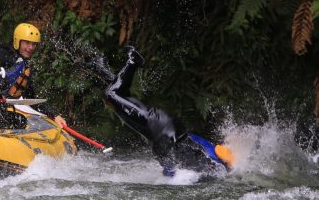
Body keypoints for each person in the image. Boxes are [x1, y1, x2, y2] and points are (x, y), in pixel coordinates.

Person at [91, 46, 231, 175]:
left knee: (116, 97)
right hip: (162, 128)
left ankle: (101, 69)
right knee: (112, 95)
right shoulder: (213, 160)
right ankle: (133, 60)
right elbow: (218, 153)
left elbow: (172, 174)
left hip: (162, 139)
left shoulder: (200, 170)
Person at [0, 23, 67, 128]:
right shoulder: (1, 54)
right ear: (17, 41)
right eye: (27, 43)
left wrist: (54, 114)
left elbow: (30, 98)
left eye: (34, 44)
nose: (31, 47)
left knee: (20, 121)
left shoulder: (24, 67)